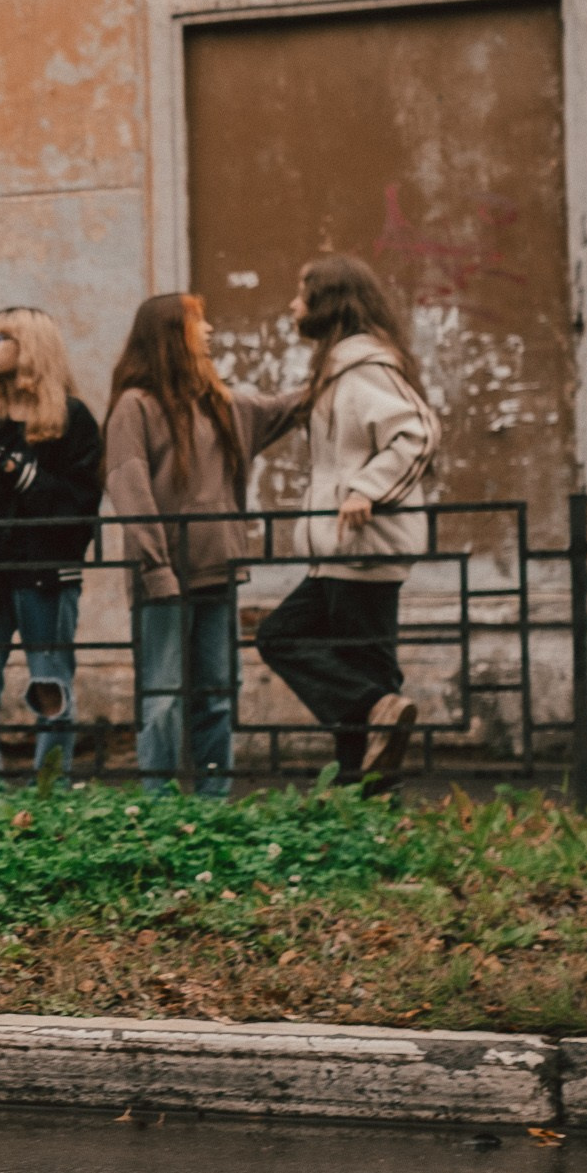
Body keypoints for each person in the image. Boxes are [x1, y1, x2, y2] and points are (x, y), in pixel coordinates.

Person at [252, 255, 441, 787]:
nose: (293, 304)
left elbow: (419, 432)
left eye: (302, 293)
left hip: (365, 547)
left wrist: (367, 489)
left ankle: (370, 784)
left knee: (342, 659)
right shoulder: (337, 370)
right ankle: (363, 776)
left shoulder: (367, 369)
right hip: (336, 552)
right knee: (295, 641)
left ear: (328, 303)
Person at [101, 294, 299, 797]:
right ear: (171, 334)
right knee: (163, 698)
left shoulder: (220, 403)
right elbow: (130, 490)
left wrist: (342, 366)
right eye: (198, 322)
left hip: (220, 573)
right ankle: (160, 806)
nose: (209, 331)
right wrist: (156, 570)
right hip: (164, 580)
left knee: (216, 694)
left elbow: (287, 406)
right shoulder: (134, 406)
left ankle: (213, 804)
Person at [0, 306, 103, 790]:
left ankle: (49, 792)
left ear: (31, 348)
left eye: (1, 338)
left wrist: (20, 471)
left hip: (46, 576)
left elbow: (80, 507)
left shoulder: (72, 419)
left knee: (50, 690)